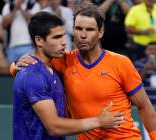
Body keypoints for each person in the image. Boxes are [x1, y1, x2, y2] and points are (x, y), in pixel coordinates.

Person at [11, 3, 156, 140]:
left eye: (89, 29)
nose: (83, 35)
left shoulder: (121, 63)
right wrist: (15, 65)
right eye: (78, 29)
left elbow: (144, 106)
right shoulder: (61, 61)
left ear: (100, 32)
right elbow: (33, 69)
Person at [13, 11, 125, 140]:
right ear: (39, 40)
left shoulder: (53, 71)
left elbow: (64, 118)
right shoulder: (33, 76)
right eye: (56, 37)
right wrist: (99, 121)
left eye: (63, 36)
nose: (63, 43)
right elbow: (54, 126)